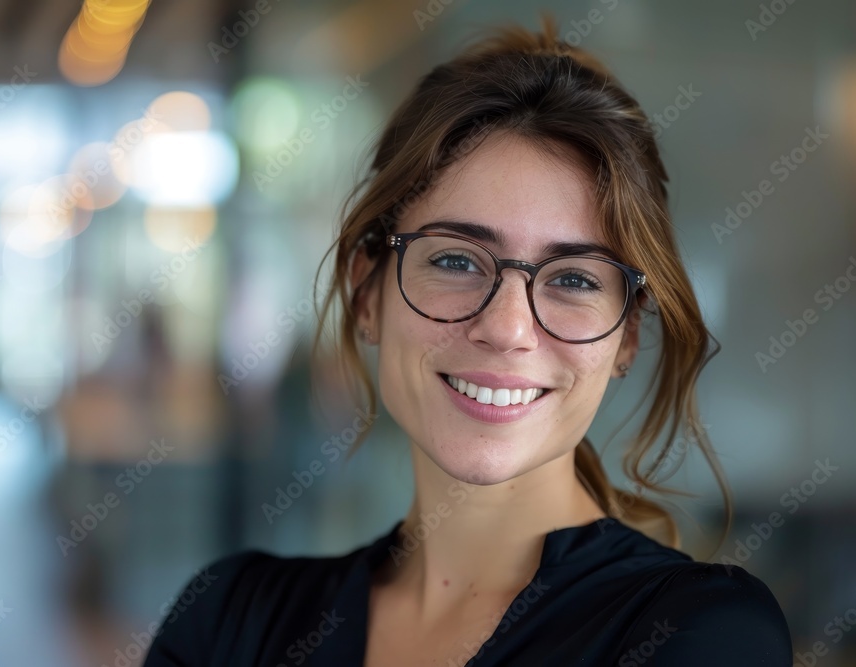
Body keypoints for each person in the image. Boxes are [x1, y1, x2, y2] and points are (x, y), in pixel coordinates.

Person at [143, 15, 793, 667]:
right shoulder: (230, 620)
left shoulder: (700, 635)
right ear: (367, 292)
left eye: (571, 278)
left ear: (626, 335)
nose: (507, 328)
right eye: (456, 260)